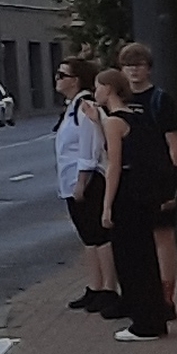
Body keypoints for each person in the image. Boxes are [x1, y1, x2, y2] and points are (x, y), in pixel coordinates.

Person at [99, 60, 176, 338]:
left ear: (108, 90)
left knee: (131, 259)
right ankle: (153, 316)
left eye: (97, 87)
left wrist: (107, 205)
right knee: (145, 257)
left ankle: (145, 323)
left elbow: (114, 165)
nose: (94, 93)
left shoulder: (113, 122)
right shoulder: (136, 116)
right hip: (143, 193)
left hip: (126, 194)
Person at [116, 39, 177, 326]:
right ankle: (140, 295)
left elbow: (174, 144)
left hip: (157, 179)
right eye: (127, 65)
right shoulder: (122, 102)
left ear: (148, 69)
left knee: (163, 235)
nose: (133, 71)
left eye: (138, 65)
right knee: (138, 241)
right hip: (132, 183)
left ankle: (166, 296)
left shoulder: (159, 100)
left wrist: (171, 181)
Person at [53, 58, 112, 310]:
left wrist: (81, 181)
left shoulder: (85, 107)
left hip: (87, 181)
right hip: (71, 180)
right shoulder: (72, 107)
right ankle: (95, 287)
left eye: (61, 74)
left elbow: (90, 146)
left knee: (99, 236)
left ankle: (109, 288)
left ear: (75, 80)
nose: (57, 79)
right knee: (88, 237)